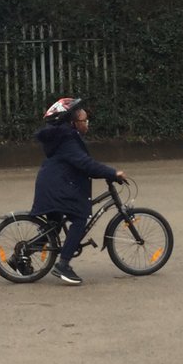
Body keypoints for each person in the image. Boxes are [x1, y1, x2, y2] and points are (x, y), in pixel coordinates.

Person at [31, 97, 126, 286]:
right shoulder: (68, 139)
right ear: (73, 123)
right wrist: (112, 173)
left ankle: (21, 257)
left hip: (53, 185)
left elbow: (82, 164)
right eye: (84, 120)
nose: (87, 124)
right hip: (57, 187)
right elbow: (86, 164)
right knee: (80, 218)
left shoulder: (66, 137)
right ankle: (63, 265)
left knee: (54, 226)